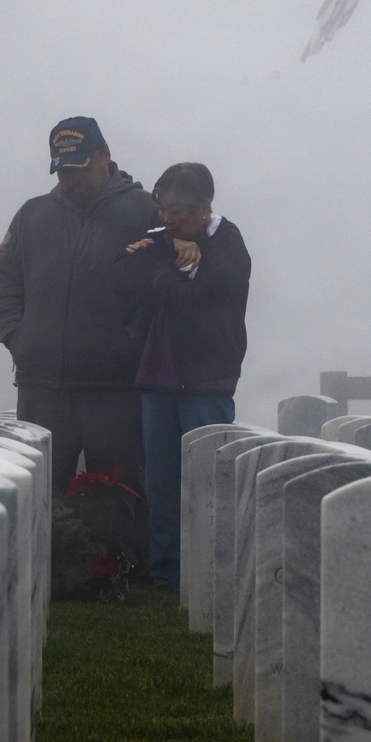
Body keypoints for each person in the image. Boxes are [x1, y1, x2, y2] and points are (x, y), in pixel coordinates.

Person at [0, 116, 159, 493]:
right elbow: (3, 280)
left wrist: (129, 346)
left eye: (79, 167)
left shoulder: (145, 212)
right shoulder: (31, 215)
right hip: (41, 390)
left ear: (105, 155)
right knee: (38, 501)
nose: (71, 178)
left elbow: (161, 292)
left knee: (121, 503)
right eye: (62, 169)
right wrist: (18, 337)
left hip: (114, 391)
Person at [115, 162, 251, 589]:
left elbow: (197, 300)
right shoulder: (161, 241)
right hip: (157, 379)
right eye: (162, 209)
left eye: (178, 211)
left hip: (205, 382)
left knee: (209, 483)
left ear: (205, 209)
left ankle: (213, 572)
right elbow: (123, 278)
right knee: (161, 483)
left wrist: (166, 269)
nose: (168, 218)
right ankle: (165, 573)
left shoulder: (229, 245)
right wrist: (173, 257)